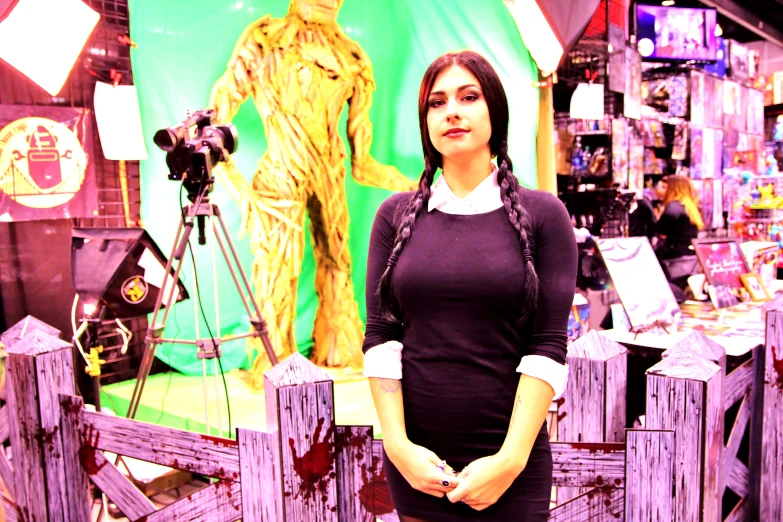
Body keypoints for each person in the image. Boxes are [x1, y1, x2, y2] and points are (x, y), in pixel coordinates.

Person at [362, 50, 578, 521]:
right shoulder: (394, 216)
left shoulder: (545, 216)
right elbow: (380, 339)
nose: (452, 111)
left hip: (510, 465)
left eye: (468, 96)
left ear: (494, 111)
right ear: (425, 122)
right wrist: (398, 447)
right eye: (436, 103)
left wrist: (510, 461)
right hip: (418, 464)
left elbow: (547, 345)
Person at [208, 0, 415, 385]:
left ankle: (339, 352)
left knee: (338, 263)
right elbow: (213, 125)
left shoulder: (351, 58)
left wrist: (411, 185)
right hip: (279, 178)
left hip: (331, 173)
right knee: (278, 275)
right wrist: (239, 190)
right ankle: (275, 365)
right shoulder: (264, 42)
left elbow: (362, 162)